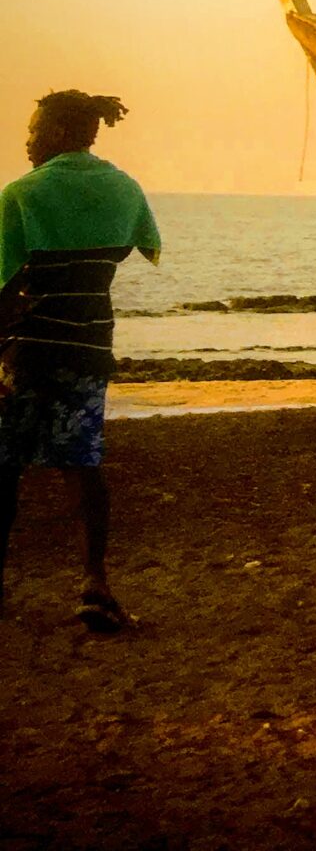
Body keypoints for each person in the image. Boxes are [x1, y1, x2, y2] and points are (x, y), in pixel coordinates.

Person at [0, 90, 161, 632]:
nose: (27, 141)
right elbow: (138, 247)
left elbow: (5, 285)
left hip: (28, 349)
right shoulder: (126, 189)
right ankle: (95, 582)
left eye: (34, 130)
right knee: (82, 463)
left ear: (63, 134)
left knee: (5, 468)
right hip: (90, 346)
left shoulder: (21, 194)